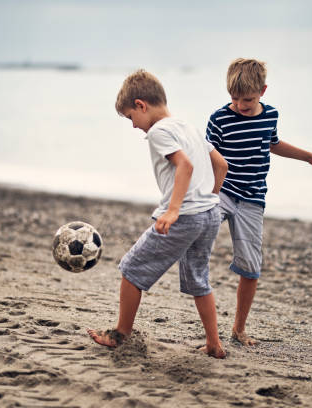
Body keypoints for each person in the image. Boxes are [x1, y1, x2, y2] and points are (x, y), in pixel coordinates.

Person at [88, 69, 229, 358]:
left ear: (141, 105)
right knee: (199, 279)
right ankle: (214, 344)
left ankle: (120, 334)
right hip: (210, 214)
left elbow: (185, 167)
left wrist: (174, 209)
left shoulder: (159, 132)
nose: (133, 125)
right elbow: (221, 165)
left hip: (186, 216)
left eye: (130, 117)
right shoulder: (186, 126)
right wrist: (208, 198)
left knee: (131, 269)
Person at [206, 58, 312, 346]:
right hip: (222, 192)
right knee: (198, 238)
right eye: (234, 98)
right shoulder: (218, 119)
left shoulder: (270, 115)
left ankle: (239, 329)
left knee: (251, 267)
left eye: (248, 99)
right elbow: (207, 157)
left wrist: (309, 156)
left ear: (263, 91)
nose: (240, 105)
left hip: (253, 198)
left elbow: (273, 143)